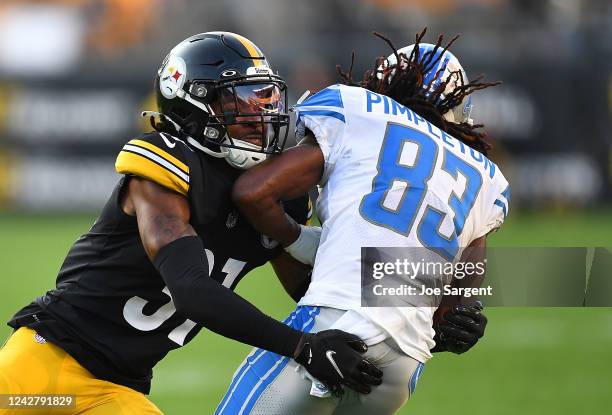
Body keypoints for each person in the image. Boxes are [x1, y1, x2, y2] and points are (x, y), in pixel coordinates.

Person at [0, 32, 381, 415]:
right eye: (241, 100)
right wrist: (301, 346)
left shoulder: (273, 192)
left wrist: (403, 307)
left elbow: (309, 289)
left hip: (116, 390)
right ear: (194, 104)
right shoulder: (166, 167)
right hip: (42, 365)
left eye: (265, 98)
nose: (260, 114)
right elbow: (190, 288)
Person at [217, 29, 509, 414]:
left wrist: (296, 240)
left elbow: (254, 193)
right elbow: (453, 309)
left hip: (334, 325)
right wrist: (462, 321)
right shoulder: (486, 178)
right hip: (404, 365)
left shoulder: (357, 109)